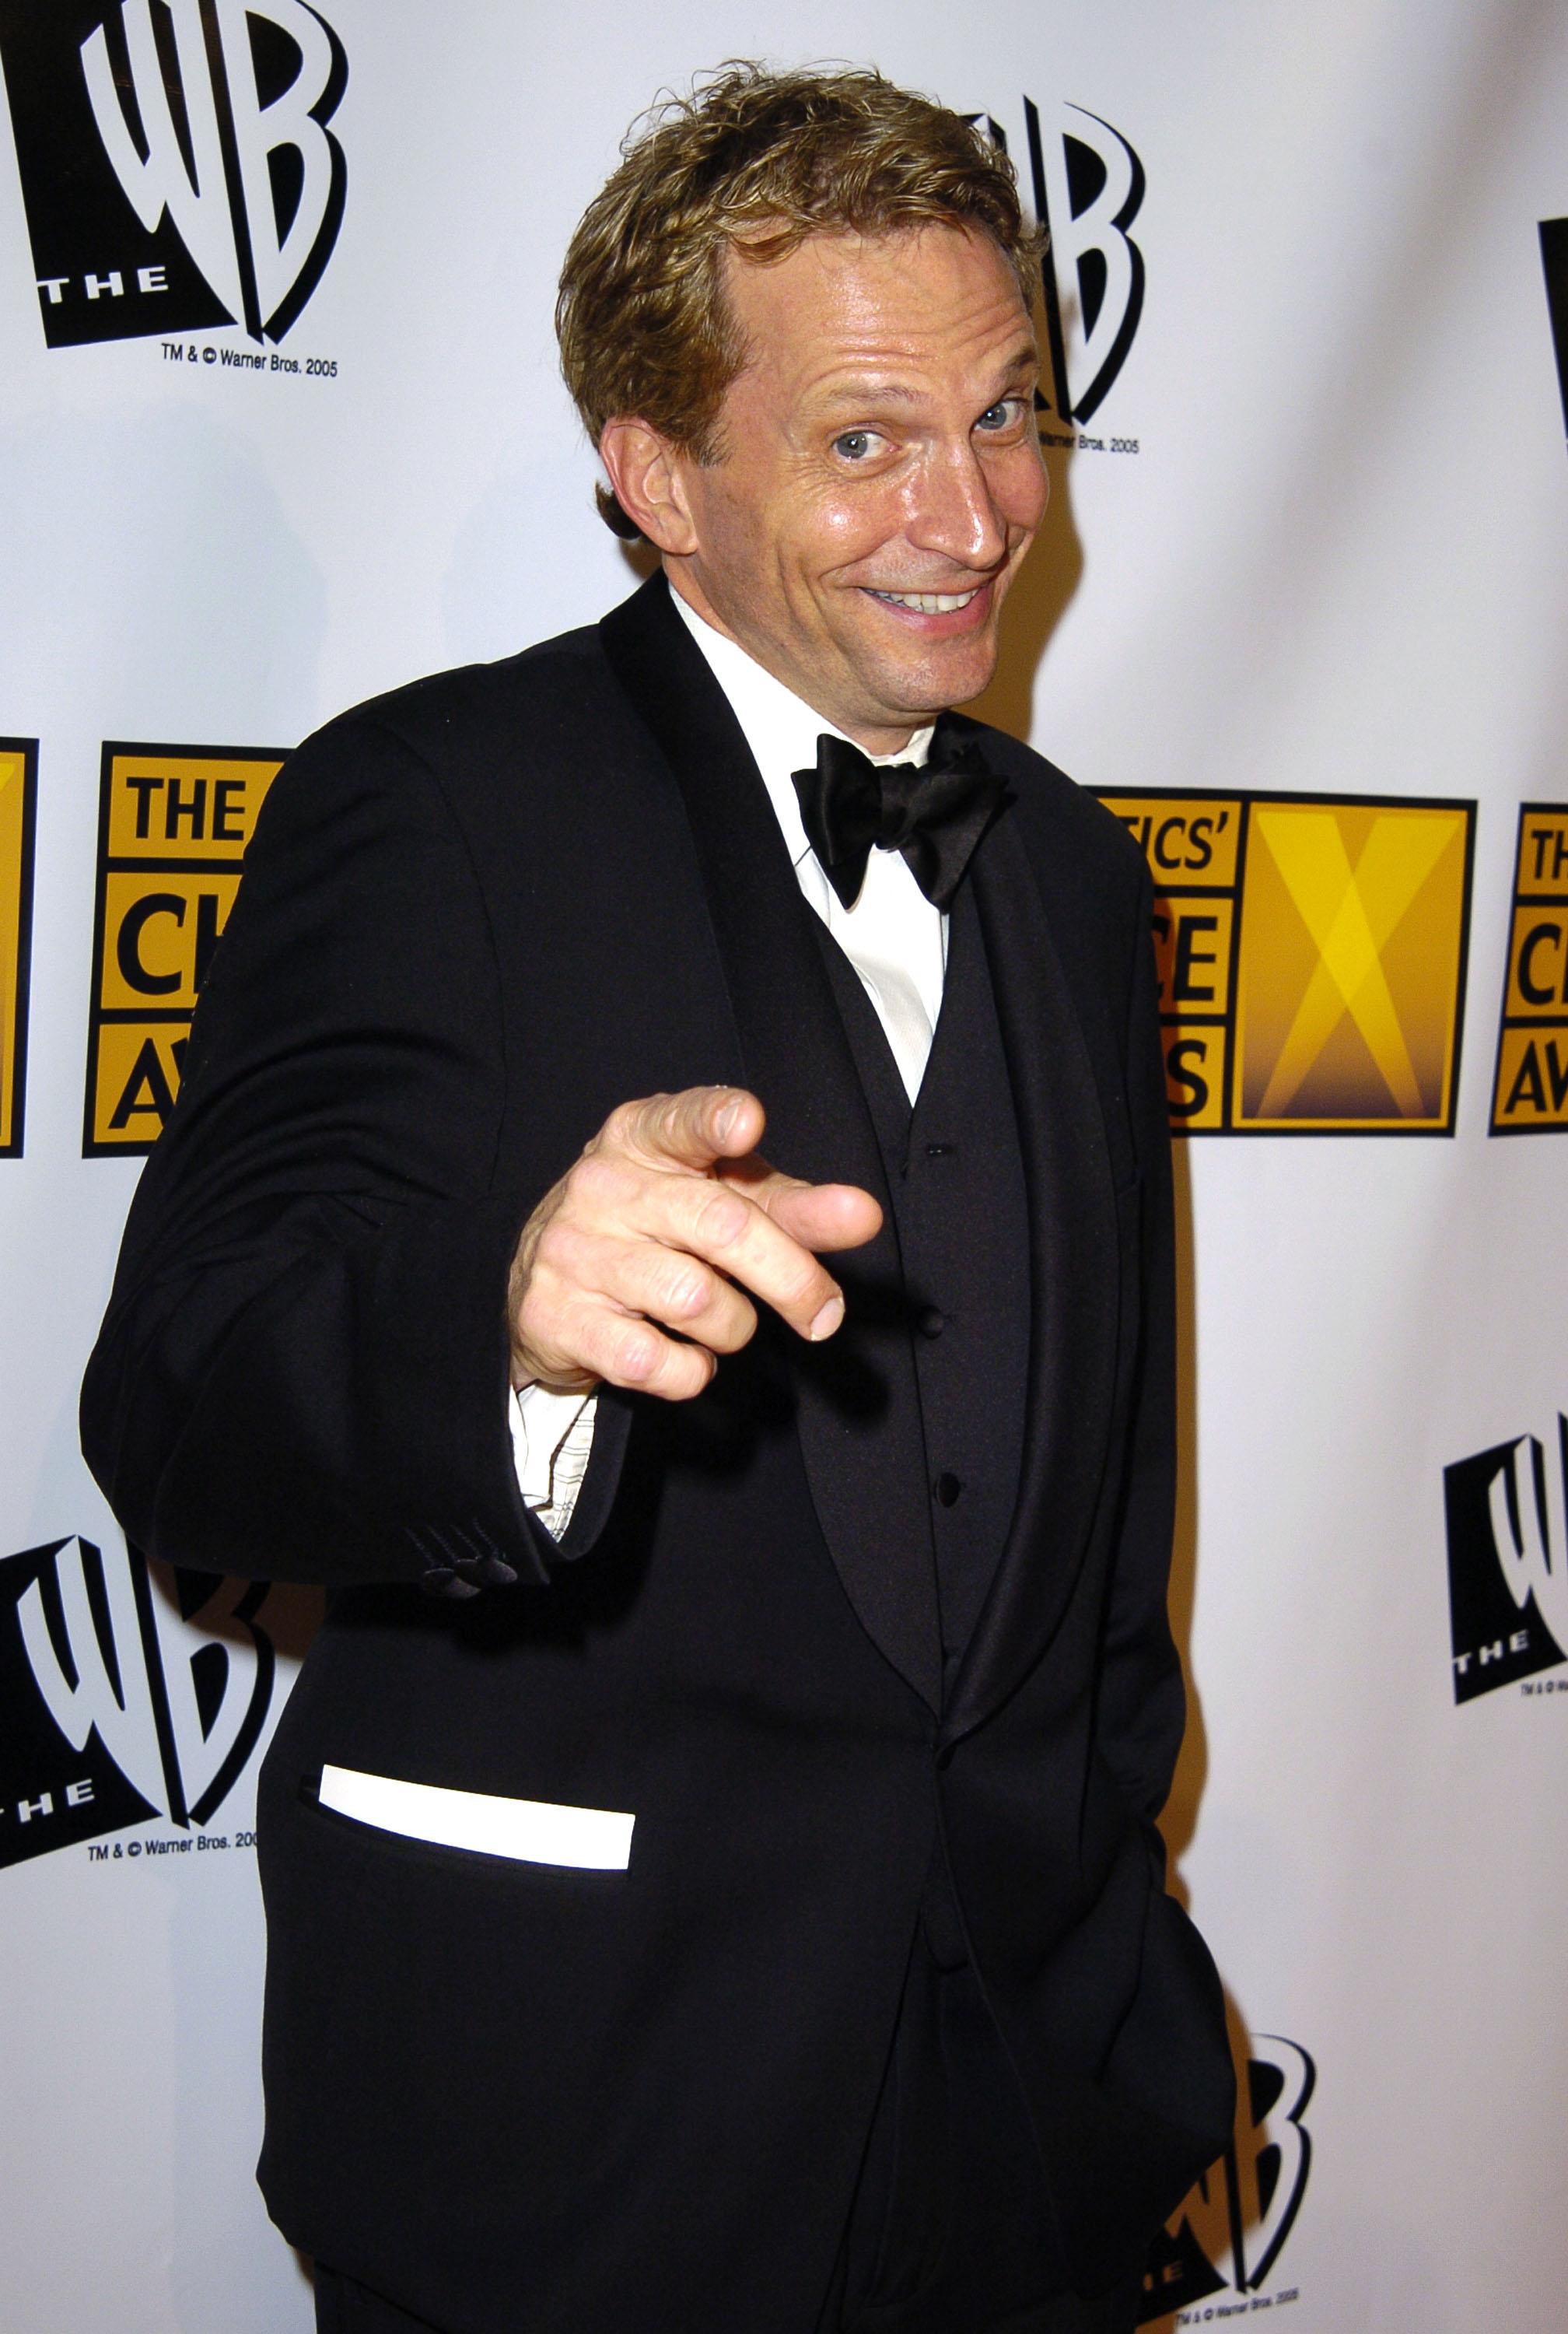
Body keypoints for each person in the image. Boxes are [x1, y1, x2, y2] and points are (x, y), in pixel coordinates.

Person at [82, 62, 1233, 2334]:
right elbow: (188, 1393)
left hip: (1020, 2120)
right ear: (661, 478)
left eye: (1010, 414)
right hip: (573, 2125)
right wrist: (499, 1328)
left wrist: (1130, 1999)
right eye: (866, 439)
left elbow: (1102, 1528)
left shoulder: (1088, 887)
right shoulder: (434, 806)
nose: (980, 513)